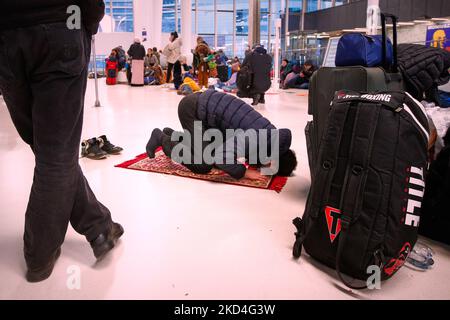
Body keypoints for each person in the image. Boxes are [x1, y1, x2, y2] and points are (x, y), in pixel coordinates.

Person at [0, 0, 123, 282]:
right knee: (56, 155)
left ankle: (99, 225)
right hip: (61, 25)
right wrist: (87, 23)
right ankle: (39, 254)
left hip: (7, 35)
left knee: (50, 151)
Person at [146, 90, 297, 180]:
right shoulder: (257, 138)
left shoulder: (270, 135)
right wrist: (243, 172)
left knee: (209, 153)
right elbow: (222, 157)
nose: (261, 169)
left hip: (207, 114)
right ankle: (161, 138)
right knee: (203, 164)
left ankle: (171, 135)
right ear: (271, 162)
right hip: (193, 110)